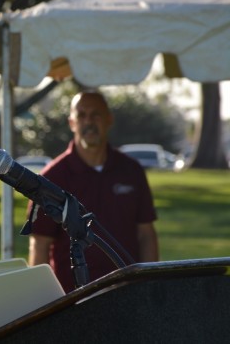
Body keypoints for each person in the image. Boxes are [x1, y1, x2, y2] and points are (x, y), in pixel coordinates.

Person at [26, 90, 159, 292]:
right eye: (81, 115)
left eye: (96, 114)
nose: (89, 121)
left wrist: (149, 287)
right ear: (71, 123)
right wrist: (43, 300)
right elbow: (40, 245)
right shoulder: (51, 178)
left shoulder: (132, 171)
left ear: (109, 119)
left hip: (128, 294)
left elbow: (146, 235)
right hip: (73, 301)